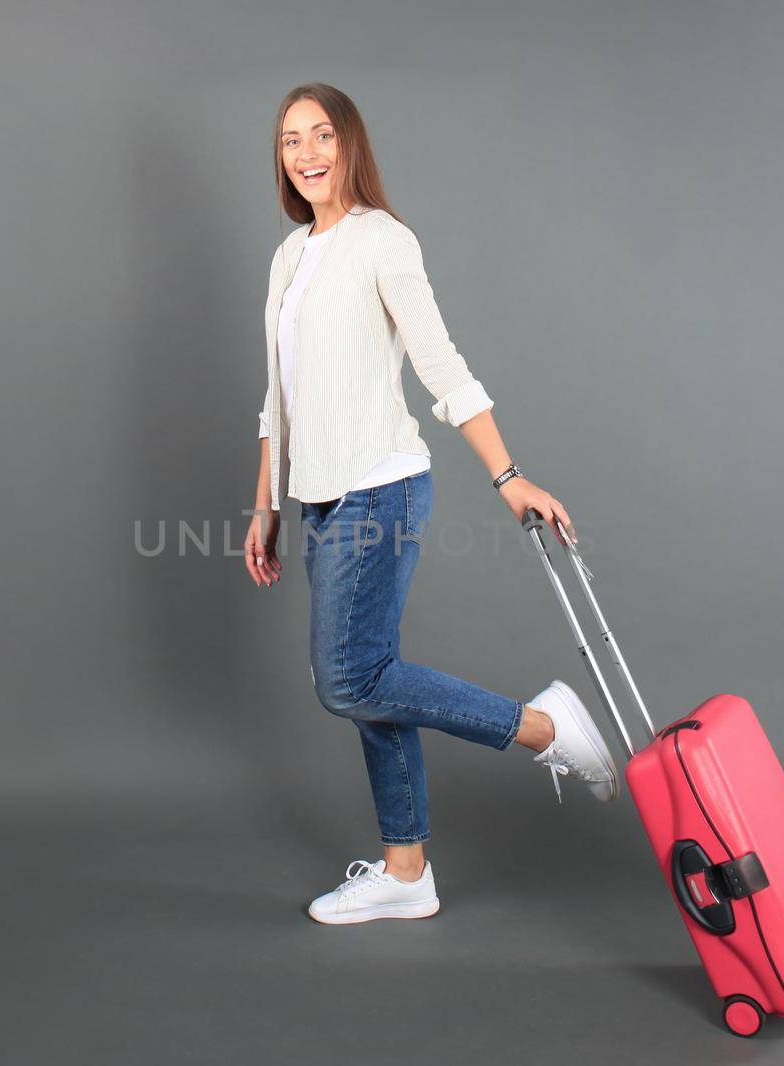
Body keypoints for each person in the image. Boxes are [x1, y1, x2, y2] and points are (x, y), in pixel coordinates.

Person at [243, 84, 618, 926]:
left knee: (351, 679)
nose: (305, 154)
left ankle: (542, 729)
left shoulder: (384, 240)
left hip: (381, 484)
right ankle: (406, 871)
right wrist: (263, 503)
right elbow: (278, 397)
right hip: (319, 497)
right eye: (289, 139)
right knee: (374, 681)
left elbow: (442, 367)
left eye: (321, 136)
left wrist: (507, 473)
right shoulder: (289, 257)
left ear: (350, 145)